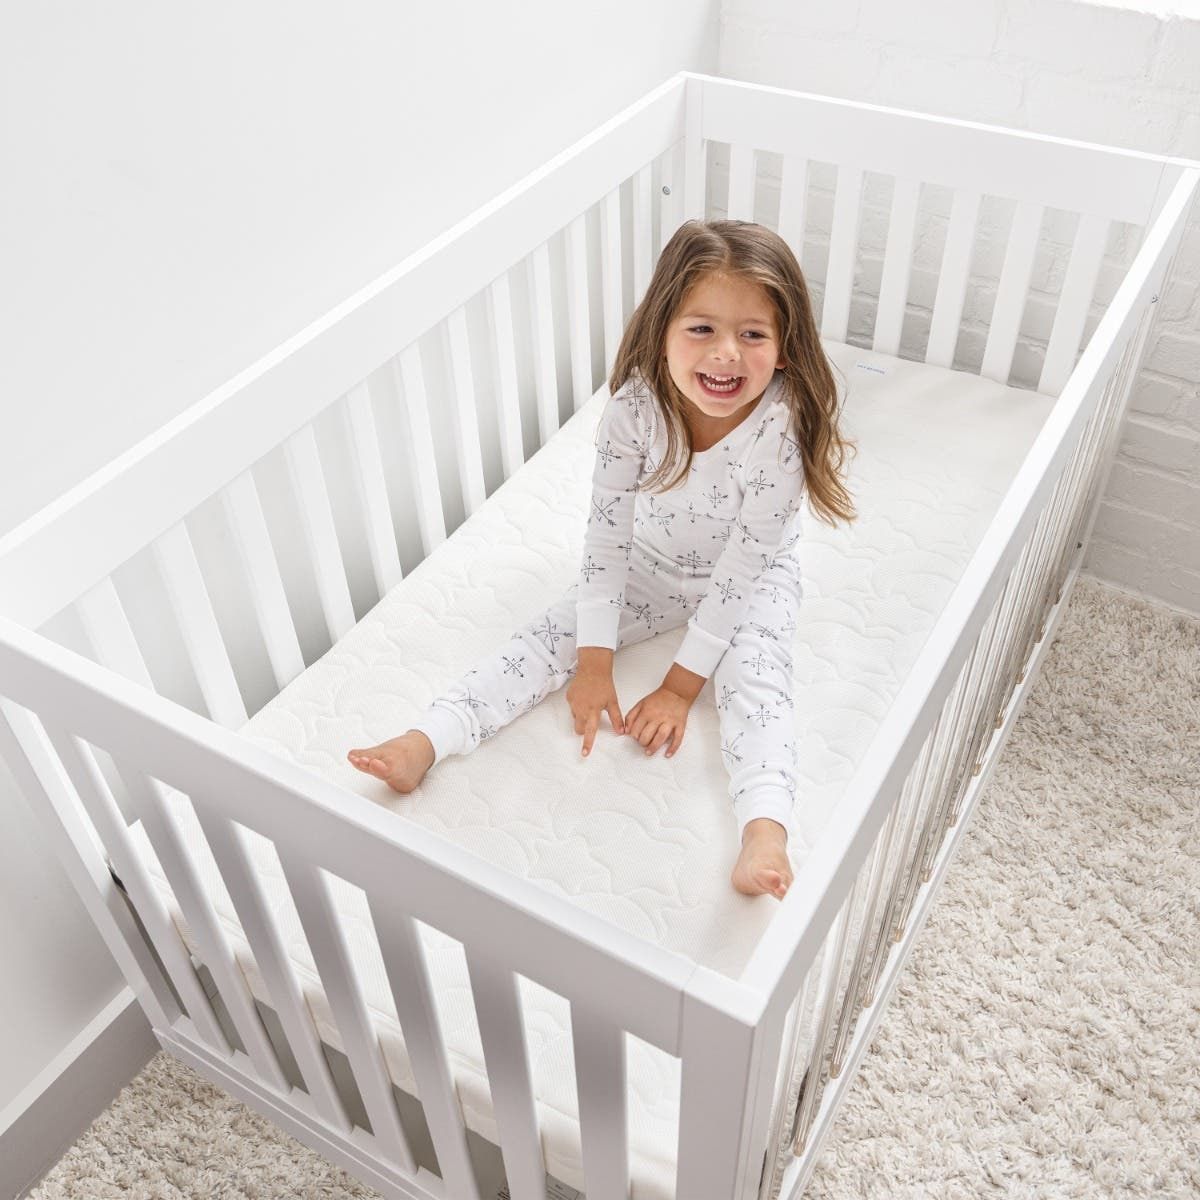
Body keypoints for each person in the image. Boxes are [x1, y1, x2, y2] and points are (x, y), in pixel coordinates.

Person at [348, 219, 856, 899]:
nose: (726, 354)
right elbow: (608, 539)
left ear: (786, 348)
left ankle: (765, 830)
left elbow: (741, 572)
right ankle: (430, 737)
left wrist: (678, 688)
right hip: (650, 563)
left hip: (753, 578)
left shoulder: (781, 429)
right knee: (545, 639)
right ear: (662, 330)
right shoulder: (635, 409)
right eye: (702, 328)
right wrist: (594, 662)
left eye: (753, 335)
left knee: (757, 683)